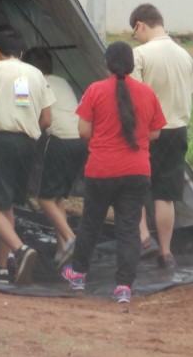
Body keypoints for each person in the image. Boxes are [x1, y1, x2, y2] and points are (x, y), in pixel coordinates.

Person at [61, 42, 165, 303]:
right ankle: (123, 288)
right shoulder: (147, 93)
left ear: (107, 63)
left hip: (101, 170)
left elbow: (83, 131)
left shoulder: (95, 91)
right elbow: (155, 133)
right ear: (131, 64)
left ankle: (78, 275)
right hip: (137, 171)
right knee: (129, 229)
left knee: (90, 224)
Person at [0, 33, 55, 286]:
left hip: (2, 140)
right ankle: (0, 268)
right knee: (6, 203)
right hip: (29, 143)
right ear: (20, 53)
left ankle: (20, 250)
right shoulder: (36, 74)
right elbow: (47, 120)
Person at [129, 4, 193, 269]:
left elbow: (133, 96)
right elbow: (189, 91)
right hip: (178, 130)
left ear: (140, 25)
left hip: (147, 131)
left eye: (134, 32)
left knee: (136, 186)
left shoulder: (140, 55)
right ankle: (166, 253)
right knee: (165, 194)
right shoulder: (185, 55)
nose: (136, 37)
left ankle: (145, 238)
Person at [22, 47, 88, 270]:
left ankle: (71, 239)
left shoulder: (31, 82)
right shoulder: (61, 81)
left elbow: (34, 116)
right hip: (80, 141)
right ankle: (62, 252)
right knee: (57, 197)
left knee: (45, 199)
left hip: (58, 140)